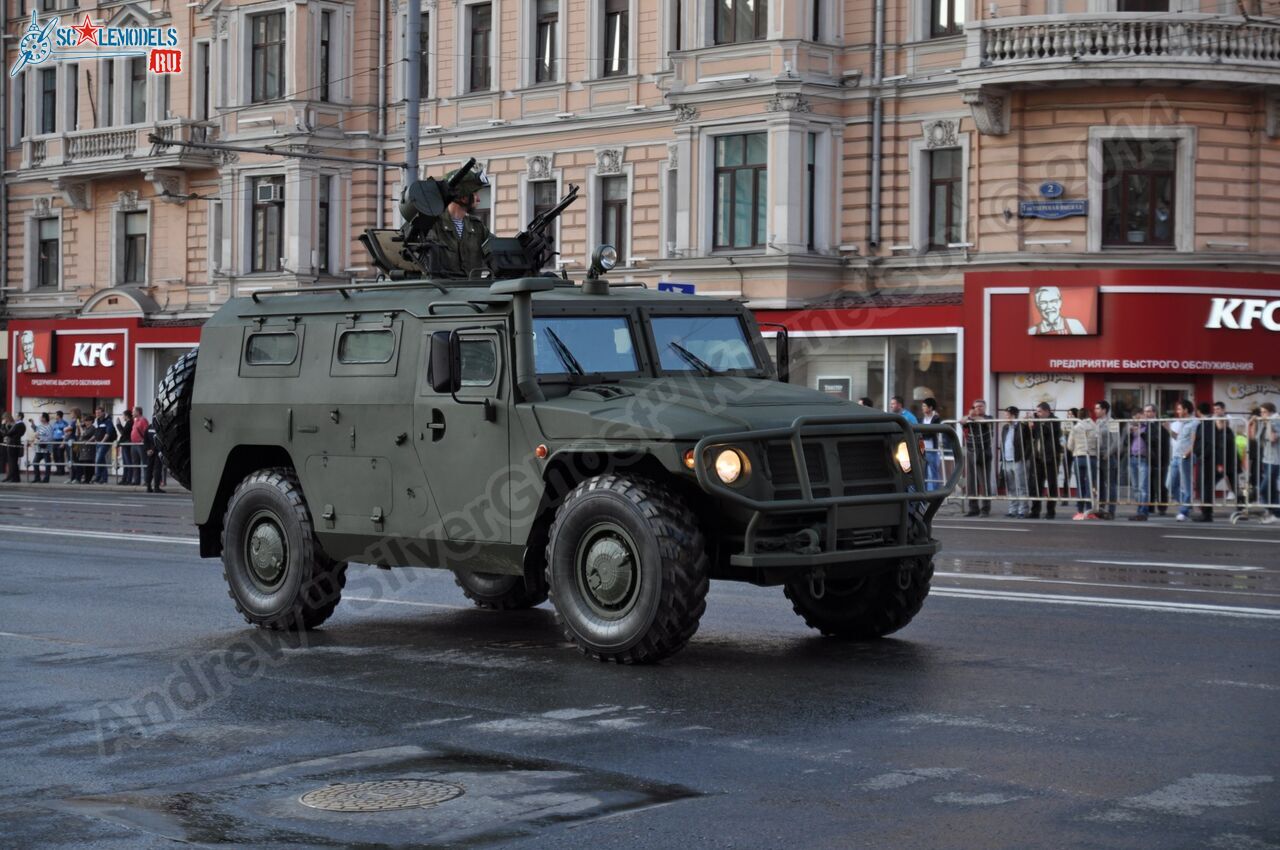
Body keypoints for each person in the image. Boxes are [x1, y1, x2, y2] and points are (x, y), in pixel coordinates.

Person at [420, 166, 492, 278]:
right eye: (475, 194)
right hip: (442, 288)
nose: (479, 199)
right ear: (463, 198)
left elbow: (496, 250)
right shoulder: (433, 226)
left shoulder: (478, 227)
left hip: (473, 288)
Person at [961, 400, 995, 517]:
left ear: (985, 407)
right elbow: (962, 421)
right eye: (976, 407)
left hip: (984, 452)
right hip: (971, 451)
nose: (978, 408)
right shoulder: (971, 418)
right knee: (971, 481)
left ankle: (985, 509)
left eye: (981, 406)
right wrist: (968, 416)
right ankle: (973, 508)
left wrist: (972, 417)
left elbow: (984, 421)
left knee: (984, 481)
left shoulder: (989, 417)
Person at [1166, 399, 1197, 522]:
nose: (1177, 411)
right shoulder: (1183, 422)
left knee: (1186, 486)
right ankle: (1187, 505)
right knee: (1170, 484)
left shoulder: (1194, 422)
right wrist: (1168, 429)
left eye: (1179, 409)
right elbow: (1178, 438)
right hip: (1176, 456)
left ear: (1186, 410)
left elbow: (1194, 441)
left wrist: (1187, 454)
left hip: (1185, 457)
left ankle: (1184, 511)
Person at [1029, 402, 1062, 519]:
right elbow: (1034, 435)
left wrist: (1036, 423)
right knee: (1036, 484)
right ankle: (1035, 511)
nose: (1037, 414)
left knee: (1051, 485)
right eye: (1036, 412)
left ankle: (1050, 511)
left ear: (1047, 411)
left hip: (1050, 457)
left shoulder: (1054, 420)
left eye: (1039, 411)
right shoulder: (1037, 421)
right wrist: (1030, 425)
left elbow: (1047, 432)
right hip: (1038, 457)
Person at [999, 406, 1032, 518]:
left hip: (1018, 460)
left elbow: (1029, 442)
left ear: (1014, 415)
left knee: (1021, 486)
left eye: (1007, 415)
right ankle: (1013, 509)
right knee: (1011, 487)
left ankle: (1023, 510)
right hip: (1007, 460)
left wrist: (1024, 457)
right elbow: (1003, 443)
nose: (1005, 417)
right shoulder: (1005, 427)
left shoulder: (1022, 426)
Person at [1093, 400, 1122, 520]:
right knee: (1099, 485)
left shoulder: (1112, 422)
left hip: (1108, 457)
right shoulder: (1097, 422)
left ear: (1104, 410)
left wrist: (1107, 454)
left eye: (1097, 408)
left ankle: (1111, 510)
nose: (1095, 411)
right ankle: (1101, 509)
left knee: (1111, 485)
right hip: (1098, 457)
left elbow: (1116, 442)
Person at [1066, 410, 1098, 520]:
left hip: (1079, 457)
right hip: (1092, 457)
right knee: (1091, 485)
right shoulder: (1095, 426)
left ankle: (1079, 511)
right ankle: (1089, 511)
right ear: (1089, 415)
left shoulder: (1075, 427)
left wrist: (1076, 449)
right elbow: (1100, 443)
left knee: (1080, 484)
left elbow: (1069, 445)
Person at [1126, 406, 1153, 521]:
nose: (1137, 419)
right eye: (1135, 417)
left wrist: (1140, 432)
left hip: (1143, 458)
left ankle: (1143, 511)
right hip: (1132, 458)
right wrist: (1129, 432)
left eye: (1139, 416)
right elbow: (1125, 442)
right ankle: (1139, 510)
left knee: (1143, 487)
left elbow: (1152, 440)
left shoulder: (1149, 426)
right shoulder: (1132, 426)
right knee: (1136, 487)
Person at [1144, 403, 1171, 516]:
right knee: (1148, 484)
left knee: (1159, 485)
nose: (1146, 414)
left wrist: (1163, 460)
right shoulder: (1143, 425)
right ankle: (1150, 508)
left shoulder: (1160, 424)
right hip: (1147, 459)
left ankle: (1162, 507)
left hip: (1160, 459)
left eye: (1149, 411)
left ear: (1154, 412)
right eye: (1145, 411)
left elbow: (1163, 442)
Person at [1258, 403, 1280, 524]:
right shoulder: (1265, 422)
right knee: (1271, 489)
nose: (1262, 415)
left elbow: (1272, 439)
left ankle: (1274, 512)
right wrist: (1252, 423)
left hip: (1275, 461)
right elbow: (1256, 439)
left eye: (1264, 412)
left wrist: (1269, 423)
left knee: (1264, 488)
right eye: (1261, 412)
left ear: (1271, 412)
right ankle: (1275, 513)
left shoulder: (1276, 421)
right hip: (1266, 460)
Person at [920, 397, 943, 492]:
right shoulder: (922, 419)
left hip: (932, 449)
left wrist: (923, 432)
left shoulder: (936, 418)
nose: (922, 408)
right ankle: (924, 492)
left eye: (924, 406)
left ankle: (935, 492)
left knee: (933, 471)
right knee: (923, 472)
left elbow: (932, 432)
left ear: (930, 408)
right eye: (922, 406)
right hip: (922, 448)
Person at [1, 413, 26, 482]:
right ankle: (16, 478)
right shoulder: (20, 425)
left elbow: (7, 433)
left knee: (12, 462)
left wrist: (3, 425)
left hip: (12, 444)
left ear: (20, 417)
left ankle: (11, 477)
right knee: (14, 462)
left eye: (16, 416)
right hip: (14, 444)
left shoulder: (18, 425)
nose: (15, 417)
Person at [143, 416, 165, 493]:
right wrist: (152, 449)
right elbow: (160, 439)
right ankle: (156, 487)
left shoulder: (149, 427)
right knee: (157, 469)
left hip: (150, 452)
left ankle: (148, 487)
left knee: (149, 468)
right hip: (158, 451)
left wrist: (148, 449)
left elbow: (145, 440)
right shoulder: (160, 427)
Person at [91, 407, 113, 484]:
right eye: (96, 413)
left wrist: (102, 442)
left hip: (104, 444)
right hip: (98, 443)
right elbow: (96, 433)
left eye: (99, 412)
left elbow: (108, 433)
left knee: (98, 460)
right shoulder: (97, 421)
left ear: (103, 412)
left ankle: (98, 477)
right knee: (101, 461)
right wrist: (89, 441)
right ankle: (104, 479)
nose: (97, 414)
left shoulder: (108, 421)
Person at [31, 412, 53, 483]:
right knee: (35, 462)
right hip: (38, 448)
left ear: (44, 418)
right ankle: (37, 478)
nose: (40, 418)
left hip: (46, 449)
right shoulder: (39, 426)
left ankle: (46, 479)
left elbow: (50, 438)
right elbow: (36, 431)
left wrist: (40, 438)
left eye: (41, 417)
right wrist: (32, 424)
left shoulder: (49, 427)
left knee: (47, 464)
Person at [115, 409, 136, 485]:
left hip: (127, 445)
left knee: (128, 462)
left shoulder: (130, 423)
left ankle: (128, 479)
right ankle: (124, 479)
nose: (123, 417)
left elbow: (123, 433)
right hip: (125, 444)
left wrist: (118, 425)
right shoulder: (129, 422)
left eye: (123, 415)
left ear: (127, 416)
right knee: (125, 463)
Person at [50, 410, 68, 477]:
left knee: (60, 455)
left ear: (58, 416)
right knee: (55, 456)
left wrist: (63, 442)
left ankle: (61, 471)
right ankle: (58, 469)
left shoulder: (65, 423)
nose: (55, 416)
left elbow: (66, 434)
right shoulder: (55, 423)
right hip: (55, 441)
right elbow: (53, 432)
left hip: (61, 440)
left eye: (56, 415)